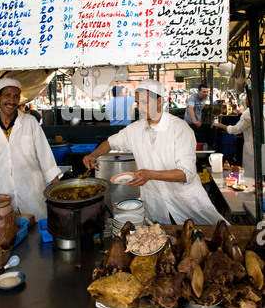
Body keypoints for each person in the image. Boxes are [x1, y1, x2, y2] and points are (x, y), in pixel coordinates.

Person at [83, 78, 227, 225]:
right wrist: (94, 154)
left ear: (159, 101)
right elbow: (110, 142)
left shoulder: (180, 128)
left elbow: (186, 173)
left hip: (187, 206)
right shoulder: (135, 129)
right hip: (156, 208)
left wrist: (150, 174)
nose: (140, 107)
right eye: (138, 103)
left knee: (206, 241)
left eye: (145, 102)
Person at [0, 78, 62, 221]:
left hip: (32, 195)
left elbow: (46, 160)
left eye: (16, 96)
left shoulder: (30, 123)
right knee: (7, 234)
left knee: (37, 237)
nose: (12, 101)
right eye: (7, 95)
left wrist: (60, 197)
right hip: (3, 198)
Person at [211, 96, 265, 177]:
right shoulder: (263, 109)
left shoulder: (248, 114)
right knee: (262, 172)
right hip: (263, 146)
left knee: (252, 175)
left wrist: (218, 125)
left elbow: (235, 130)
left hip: (252, 148)